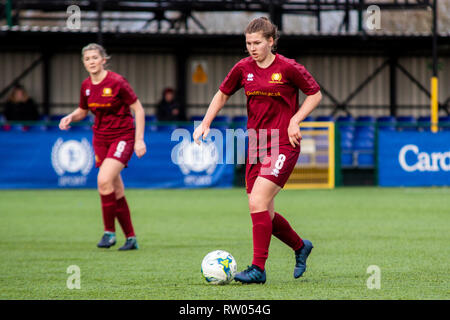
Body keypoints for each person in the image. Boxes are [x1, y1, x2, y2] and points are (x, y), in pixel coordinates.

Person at [193, 17, 322, 284]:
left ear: (271, 41)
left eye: (257, 43)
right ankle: (300, 246)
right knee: (265, 211)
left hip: (283, 143)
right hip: (256, 143)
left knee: (257, 202)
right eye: (248, 43)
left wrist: (295, 120)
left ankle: (258, 269)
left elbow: (315, 93)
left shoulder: (288, 67)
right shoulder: (243, 68)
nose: (252, 48)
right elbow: (222, 94)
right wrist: (205, 122)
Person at [59, 43, 146, 251]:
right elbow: (83, 110)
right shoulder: (86, 86)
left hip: (122, 137)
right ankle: (131, 238)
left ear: (103, 60)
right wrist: (71, 116)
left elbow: (138, 109)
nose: (91, 61)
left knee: (103, 180)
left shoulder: (117, 82)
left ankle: (109, 233)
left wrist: (139, 139)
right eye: (87, 59)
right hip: (100, 139)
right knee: (115, 189)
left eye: (95, 58)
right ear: (84, 63)